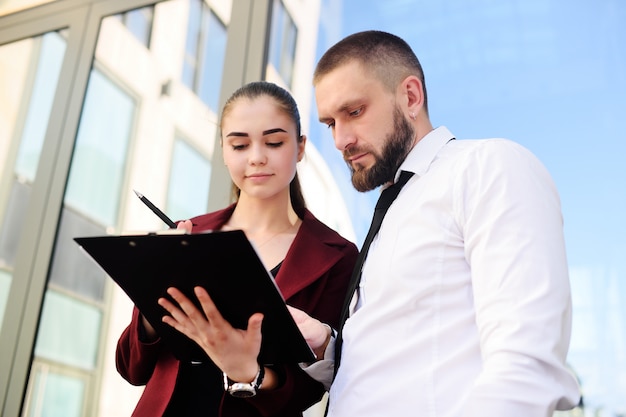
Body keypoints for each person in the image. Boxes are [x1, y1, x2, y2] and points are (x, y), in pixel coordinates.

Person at [290, 30, 582, 416]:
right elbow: (398, 365)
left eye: (354, 112)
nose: (341, 139)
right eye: (329, 123)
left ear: (411, 97)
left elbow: (527, 366)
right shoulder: (392, 209)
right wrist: (327, 347)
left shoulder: (488, 166)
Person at [115, 81, 358, 417]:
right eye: (240, 145)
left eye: (274, 142)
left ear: (300, 148)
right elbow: (131, 368)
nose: (257, 158)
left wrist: (249, 372)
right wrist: (157, 292)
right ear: (224, 152)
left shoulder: (337, 256)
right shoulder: (189, 233)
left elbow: (316, 387)